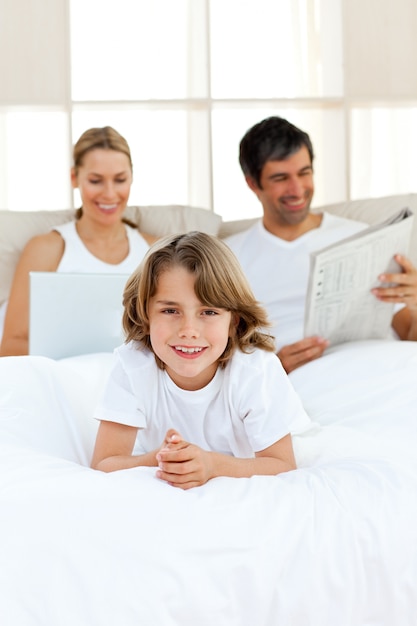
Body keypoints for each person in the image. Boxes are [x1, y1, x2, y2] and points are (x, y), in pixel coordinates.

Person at [90, 231, 311, 489]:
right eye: (171, 310)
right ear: (145, 315)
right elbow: (104, 462)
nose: (189, 330)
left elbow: (281, 464)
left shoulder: (255, 370)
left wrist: (211, 465)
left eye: (208, 311)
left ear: (233, 321)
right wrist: (161, 459)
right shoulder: (133, 366)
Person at [225, 116, 417, 373]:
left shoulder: (365, 239)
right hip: (304, 378)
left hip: (385, 366)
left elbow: (409, 333)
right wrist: (274, 367)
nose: (297, 189)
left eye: (304, 173)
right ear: (252, 183)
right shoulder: (228, 259)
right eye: (281, 178)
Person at [0, 126, 157, 357]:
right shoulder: (47, 249)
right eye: (96, 181)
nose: (110, 193)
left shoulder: (155, 251)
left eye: (120, 179)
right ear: (74, 178)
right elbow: (11, 346)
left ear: (132, 177)